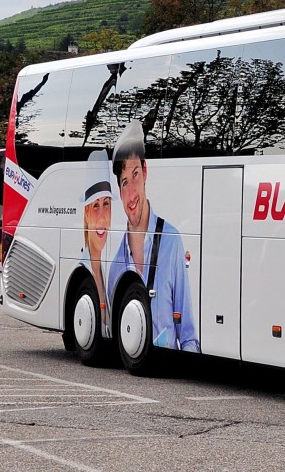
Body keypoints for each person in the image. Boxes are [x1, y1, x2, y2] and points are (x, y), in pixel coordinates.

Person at [105, 120, 200, 353]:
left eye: (135, 175)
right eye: (124, 182)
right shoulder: (116, 266)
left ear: (145, 171)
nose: (131, 194)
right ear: (118, 189)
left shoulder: (171, 241)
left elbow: (188, 336)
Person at [81, 148, 114, 339]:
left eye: (106, 204)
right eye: (95, 206)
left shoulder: (107, 272)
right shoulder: (84, 268)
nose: (102, 217)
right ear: (86, 212)